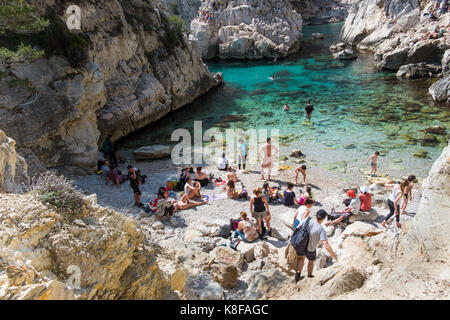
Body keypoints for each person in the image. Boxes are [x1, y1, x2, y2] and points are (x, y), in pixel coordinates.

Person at [295, 210, 338, 282]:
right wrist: (335, 257)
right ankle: (309, 275)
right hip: (311, 248)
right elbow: (326, 246)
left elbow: (297, 227)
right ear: (324, 218)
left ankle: (297, 276)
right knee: (311, 261)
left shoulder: (307, 220)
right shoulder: (321, 230)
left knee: (301, 258)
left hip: (301, 244)